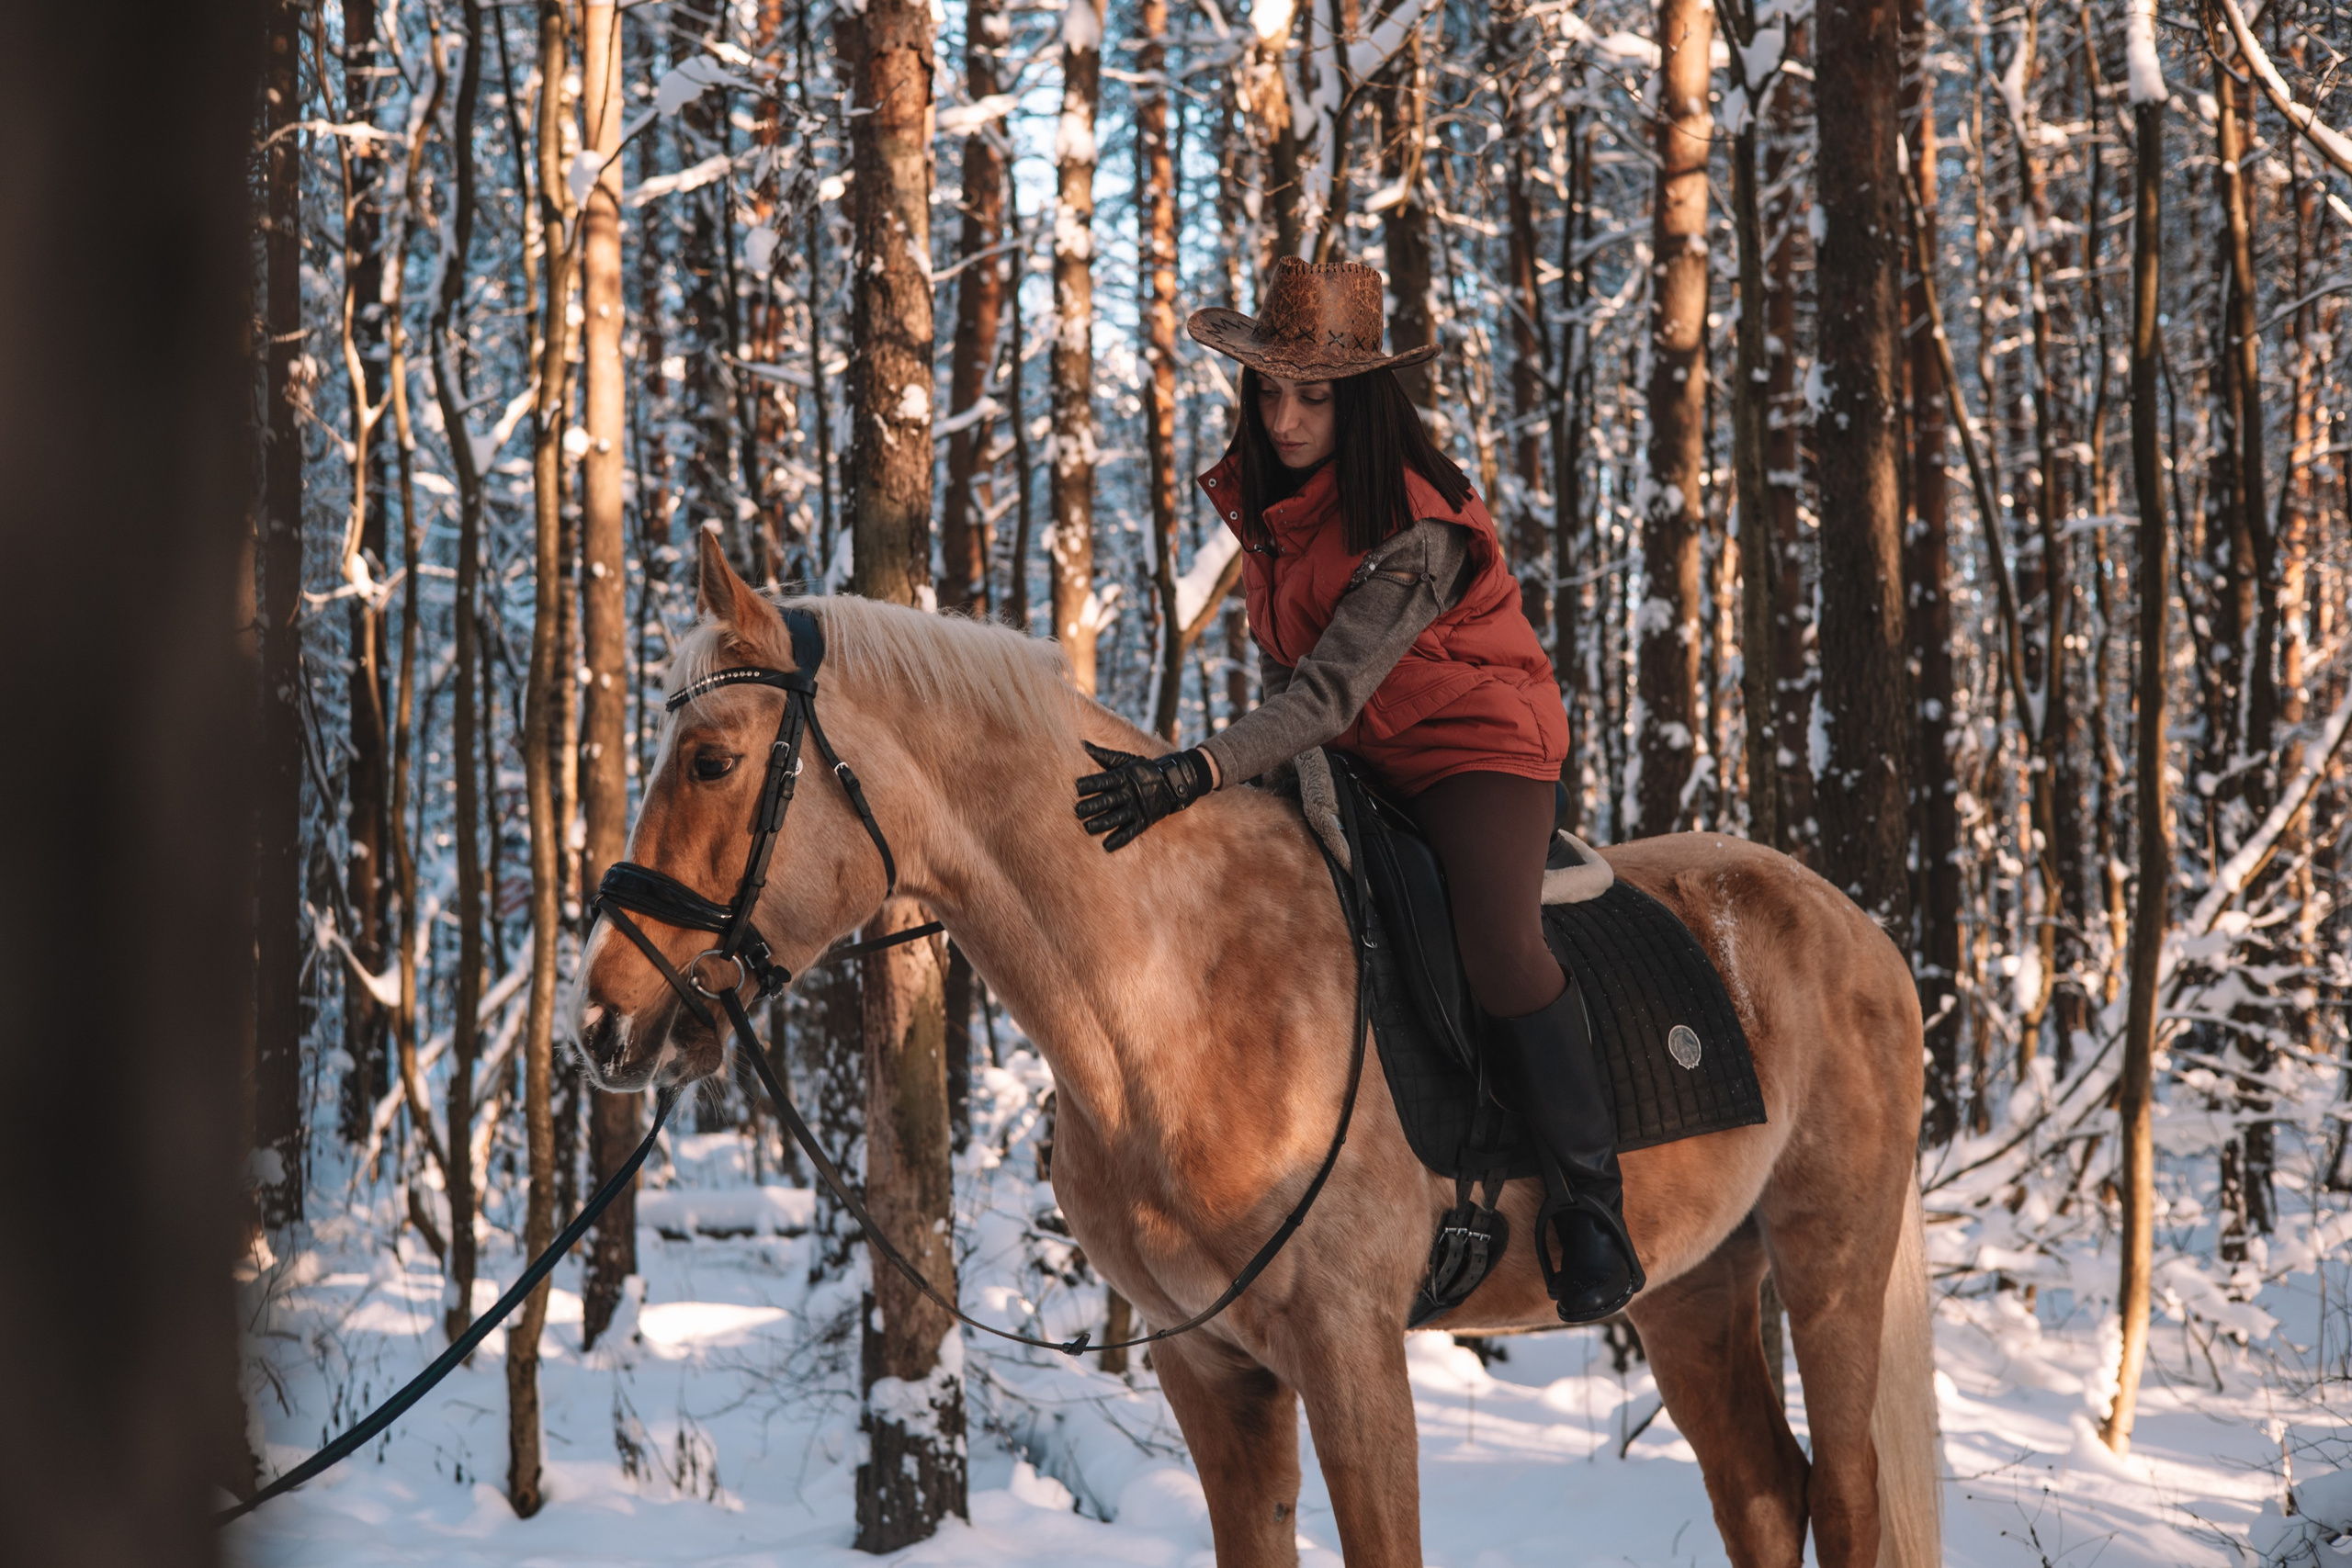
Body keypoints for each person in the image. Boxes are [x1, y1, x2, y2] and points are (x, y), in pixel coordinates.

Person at [1071, 256, 1642, 1324]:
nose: (1284, 417)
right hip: (1357, 748)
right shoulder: (1272, 504)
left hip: (1476, 745)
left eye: (1314, 396)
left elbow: (1327, 691)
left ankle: (1589, 1201)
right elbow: (1295, 673)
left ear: (1364, 400)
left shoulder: (1415, 522)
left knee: (1496, 947)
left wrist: (1194, 770)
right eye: (1268, 391)